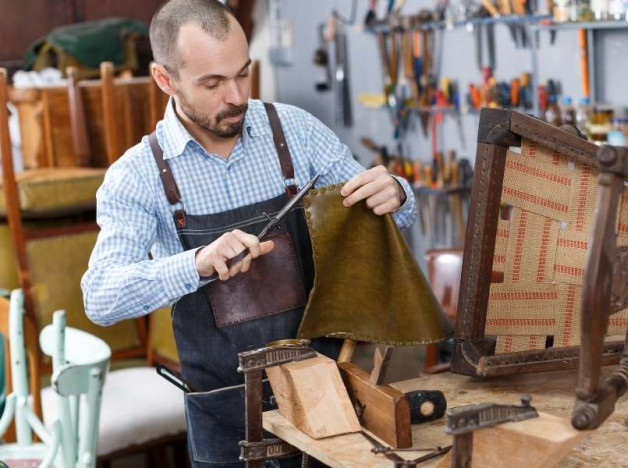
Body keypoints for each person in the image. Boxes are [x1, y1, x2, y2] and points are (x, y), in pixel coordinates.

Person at [80, 1, 416, 466]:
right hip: (224, 413)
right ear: (165, 79)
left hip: (325, 396)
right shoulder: (137, 176)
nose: (236, 96)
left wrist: (396, 192)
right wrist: (196, 263)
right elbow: (101, 298)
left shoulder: (296, 131)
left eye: (243, 74)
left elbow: (393, 218)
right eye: (213, 84)